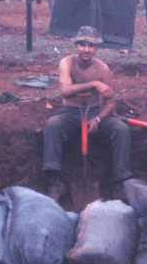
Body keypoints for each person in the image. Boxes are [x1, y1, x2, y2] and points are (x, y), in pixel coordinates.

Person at [42, 26, 132, 202]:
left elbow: (110, 102)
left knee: (121, 130)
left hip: (95, 112)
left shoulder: (103, 69)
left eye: (91, 45)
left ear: (96, 48)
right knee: (53, 125)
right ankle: (54, 181)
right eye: (82, 44)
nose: (86, 49)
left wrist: (98, 119)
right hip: (70, 112)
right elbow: (66, 91)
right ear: (76, 46)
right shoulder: (67, 63)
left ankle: (120, 183)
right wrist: (94, 84)